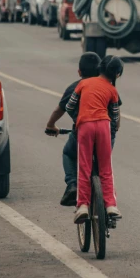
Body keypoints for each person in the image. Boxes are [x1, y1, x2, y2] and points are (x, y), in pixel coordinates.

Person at [65, 56, 123, 224]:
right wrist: (115, 128)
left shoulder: (83, 84)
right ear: (117, 75)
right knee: (106, 168)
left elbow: (69, 106)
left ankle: (82, 206)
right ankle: (111, 206)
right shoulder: (112, 90)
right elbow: (115, 116)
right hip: (104, 126)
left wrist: (78, 119)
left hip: (85, 127)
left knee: (84, 167)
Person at [45, 52, 103, 206]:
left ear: (79, 72)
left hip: (83, 131)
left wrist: (50, 126)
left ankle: (72, 184)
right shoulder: (107, 85)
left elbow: (60, 109)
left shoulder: (75, 87)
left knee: (69, 153)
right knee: (104, 163)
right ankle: (107, 198)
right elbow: (116, 109)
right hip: (105, 133)